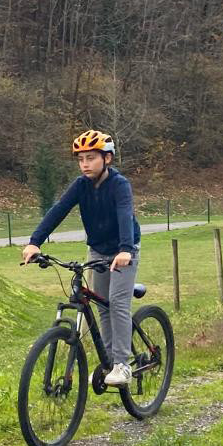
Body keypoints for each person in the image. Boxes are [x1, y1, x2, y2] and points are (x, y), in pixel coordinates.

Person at [21, 130, 141, 387]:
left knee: (118, 303)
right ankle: (109, 362)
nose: (85, 163)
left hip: (124, 249)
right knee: (102, 306)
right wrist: (34, 242)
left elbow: (124, 216)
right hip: (97, 250)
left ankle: (123, 365)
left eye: (91, 158)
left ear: (107, 158)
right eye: (81, 159)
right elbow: (58, 211)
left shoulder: (120, 185)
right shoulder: (80, 185)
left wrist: (125, 250)